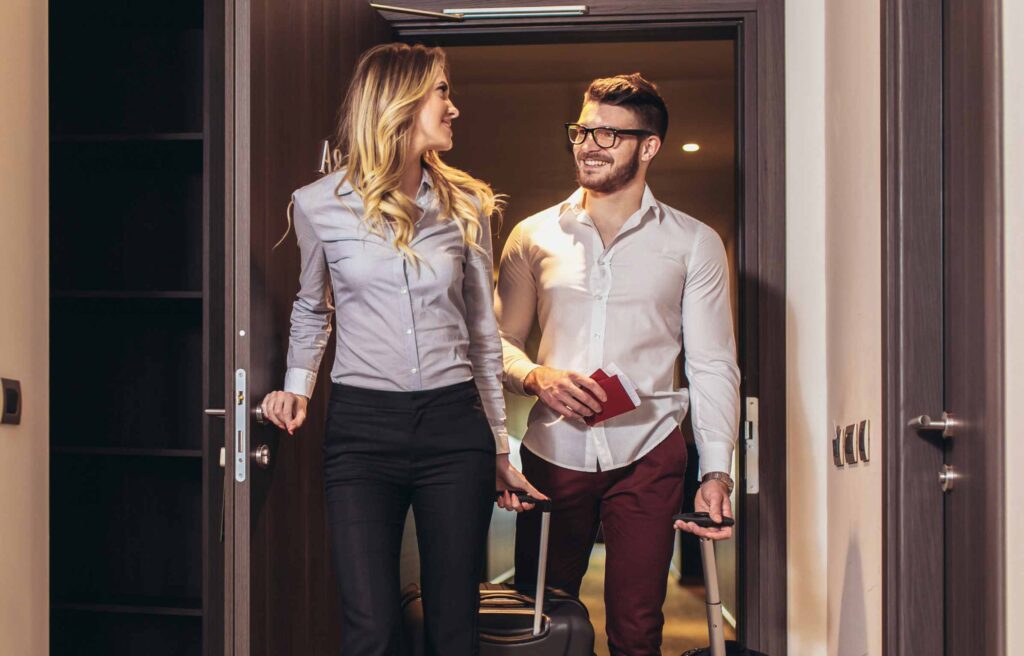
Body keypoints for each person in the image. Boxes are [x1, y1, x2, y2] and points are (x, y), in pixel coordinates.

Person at [259, 43, 545, 656]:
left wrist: (497, 444)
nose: (454, 107)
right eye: (442, 91)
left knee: (453, 628)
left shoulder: (467, 205)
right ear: (401, 101)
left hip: (452, 428)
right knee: (372, 629)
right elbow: (314, 306)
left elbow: (482, 338)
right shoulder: (319, 203)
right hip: (361, 433)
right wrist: (297, 386)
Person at [494, 73, 740, 655]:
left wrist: (715, 472)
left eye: (608, 134)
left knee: (637, 626)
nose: (587, 144)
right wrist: (536, 376)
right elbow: (495, 345)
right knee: (540, 621)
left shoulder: (694, 242)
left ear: (648, 146)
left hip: (650, 453)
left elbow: (711, 364)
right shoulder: (533, 236)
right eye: (582, 130)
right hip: (554, 454)